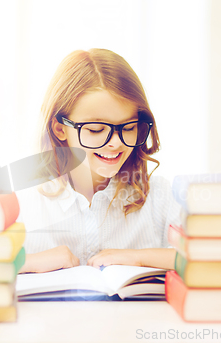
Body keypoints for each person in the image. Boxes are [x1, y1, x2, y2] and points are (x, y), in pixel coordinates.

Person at [17, 48, 180, 273]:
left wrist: (139, 258)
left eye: (129, 127)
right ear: (59, 128)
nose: (115, 143)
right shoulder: (24, 200)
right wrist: (29, 262)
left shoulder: (158, 196)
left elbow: (205, 259)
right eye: (95, 130)